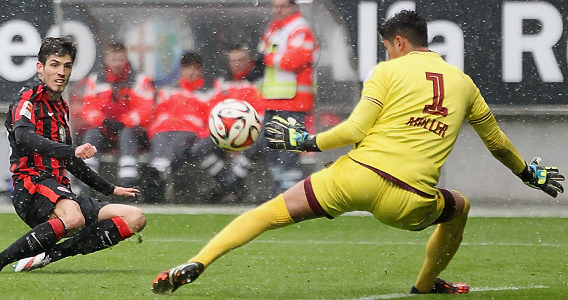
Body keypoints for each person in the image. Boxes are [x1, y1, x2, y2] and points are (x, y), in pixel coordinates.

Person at [150, 10, 564, 295]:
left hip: (353, 177)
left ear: (400, 43)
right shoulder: (464, 84)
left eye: (387, 46)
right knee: (460, 207)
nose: (386, 53)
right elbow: (497, 143)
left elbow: (355, 129)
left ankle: (199, 262)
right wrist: (531, 175)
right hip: (409, 200)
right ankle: (426, 285)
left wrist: (306, 141)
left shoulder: (388, 71)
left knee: (267, 214)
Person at [0, 37, 147, 274]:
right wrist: (71, 150)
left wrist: (109, 189)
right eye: (54, 64)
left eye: (67, 66)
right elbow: (24, 136)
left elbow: (71, 161)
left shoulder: (61, 106)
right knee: (74, 218)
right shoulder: (28, 97)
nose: (61, 72)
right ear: (40, 68)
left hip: (61, 190)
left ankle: (51, 255)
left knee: (135, 218)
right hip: (32, 185)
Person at [256, 0, 320, 195]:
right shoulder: (274, 29)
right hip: (274, 99)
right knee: (272, 147)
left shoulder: (300, 29)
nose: (278, 10)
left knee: (288, 150)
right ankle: (278, 188)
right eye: (275, 6)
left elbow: (295, 59)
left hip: (294, 100)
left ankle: (289, 192)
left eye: (283, 6)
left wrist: (268, 58)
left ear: (294, 7)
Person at [80, 42, 155, 189]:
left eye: (120, 60)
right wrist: (103, 120)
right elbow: (88, 109)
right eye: (113, 60)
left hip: (133, 131)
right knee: (92, 134)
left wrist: (124, 122)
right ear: (106, 60)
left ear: (126, 58)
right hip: (105, 129)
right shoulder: (95, 80)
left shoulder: (140, 80)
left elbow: (145, 110)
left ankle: (129, 180)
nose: (116, 64)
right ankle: (86, 178)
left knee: (128, 135)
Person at [146, 52, 213, 201]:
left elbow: (211, 120)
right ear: (181, 70)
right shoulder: (169, 91)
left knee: (180, 136)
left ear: (201, 70)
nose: (191, 72)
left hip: (190, 134)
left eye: (195, 68)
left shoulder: (208, 93)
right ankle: (159, 171)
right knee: (162, 137)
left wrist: (200, 133)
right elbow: (158, 116)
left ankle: (157, 172)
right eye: (187, 68)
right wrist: (156, 130)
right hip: (165, 131)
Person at [205, 43, 266, 203]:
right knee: (199, 149)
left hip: (251, 130)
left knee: (257, 144)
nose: (237, 64)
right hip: (225, 131)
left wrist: (241, 130)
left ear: (249, 60)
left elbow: (262, 111)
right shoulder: (222, 81)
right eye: (233, 60)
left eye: (241, 60)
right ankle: (229, 184)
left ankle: (231, 183)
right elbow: (213, 108)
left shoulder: (260, 80)